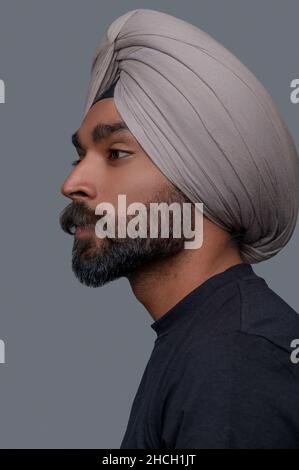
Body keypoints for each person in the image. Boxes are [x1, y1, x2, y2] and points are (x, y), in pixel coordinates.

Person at [59, 9, 299, 449]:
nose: (72, 184)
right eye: (80, 157)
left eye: (116, 154)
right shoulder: (202, 338)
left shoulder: (235, 360)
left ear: (200, 176)